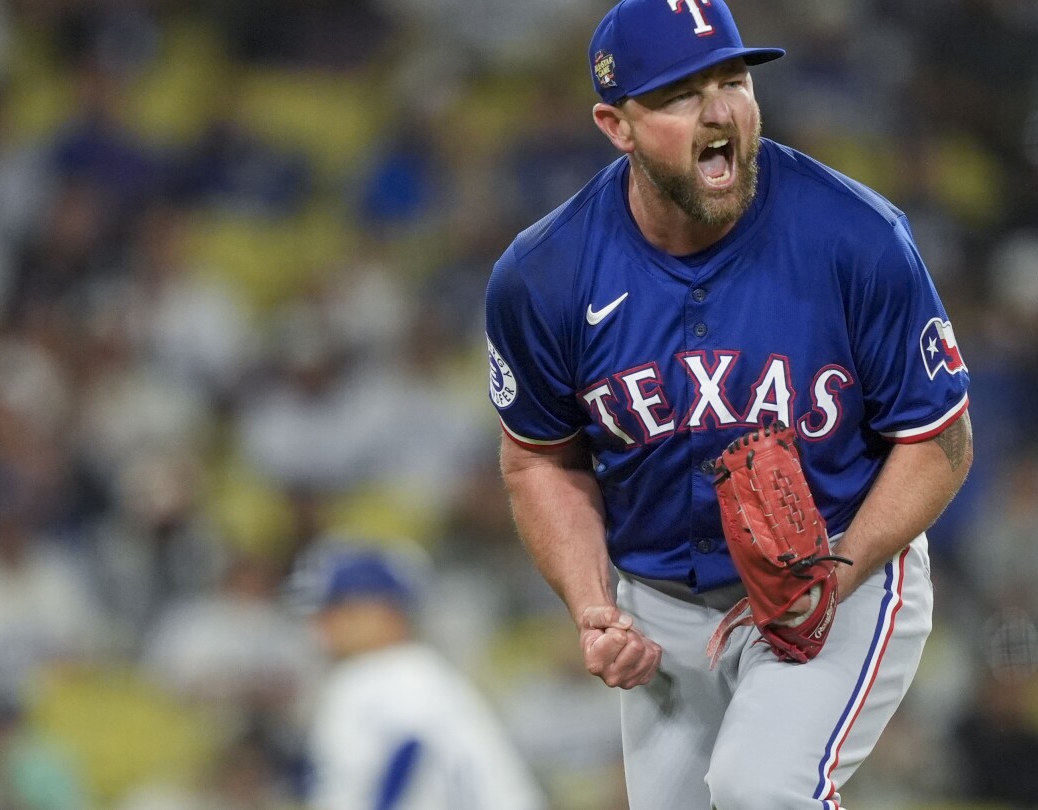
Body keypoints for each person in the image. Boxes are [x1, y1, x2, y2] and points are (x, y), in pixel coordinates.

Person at [484, 0, 974, 806]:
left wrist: (836, 580)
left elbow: (940, 439)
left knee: (761, 790)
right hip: (659, 601)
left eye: (734, 80)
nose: (719, 111)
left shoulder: (854, 236)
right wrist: (594, 609)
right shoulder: (545, 275)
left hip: (838, 559)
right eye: (681, 94)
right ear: (618, 125)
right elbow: (539, 458)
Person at [296, 541, 547, 810]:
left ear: (388, 612)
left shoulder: (382, 675)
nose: (324, 624)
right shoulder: (421, 672)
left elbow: (409, 750)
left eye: (341, 609)